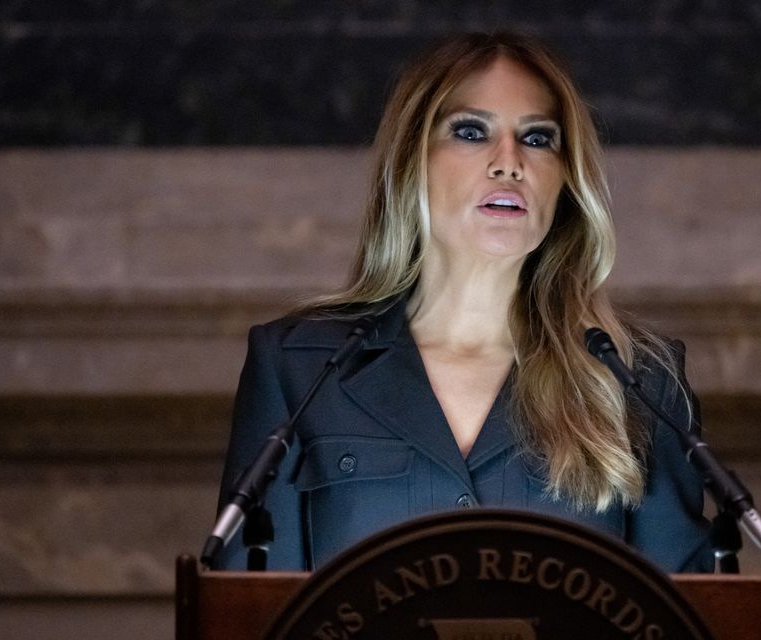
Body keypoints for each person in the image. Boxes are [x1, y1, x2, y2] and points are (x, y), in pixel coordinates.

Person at [214, 32, 713, 573]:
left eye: (539, 139)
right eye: (471, 132)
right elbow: (250, 614)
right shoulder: (299, 368)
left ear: (566, 181)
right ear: (412, 161)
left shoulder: (639, 380)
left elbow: (682, 621)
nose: (509, 162)